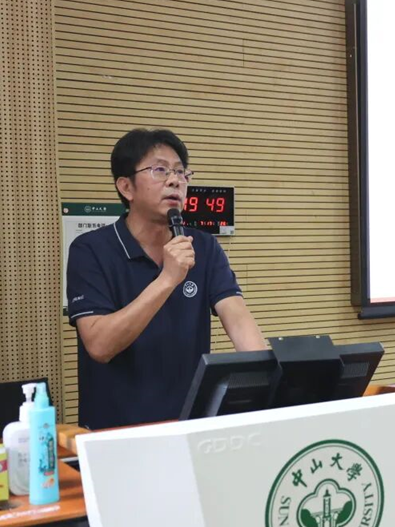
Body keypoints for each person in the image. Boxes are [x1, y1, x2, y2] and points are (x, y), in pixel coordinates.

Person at [66, 128, 267, 429]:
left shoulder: (204, 246)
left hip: (190, 426)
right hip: (116, 432)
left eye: (181, 172)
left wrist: (272, 381)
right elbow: (99, 345)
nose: (175, 180)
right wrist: (167, 279)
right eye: (160, 170)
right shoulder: (90, 250)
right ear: (126, 187)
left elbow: (238, 321)